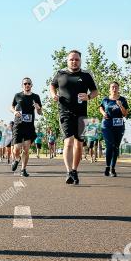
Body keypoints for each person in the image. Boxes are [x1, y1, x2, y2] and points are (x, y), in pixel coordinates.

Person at [50, 50, 98, 184]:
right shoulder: (60, 73)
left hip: (82, 113)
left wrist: (88, 96)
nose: (74, 61)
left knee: (79, 144)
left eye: (76, 59)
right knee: (68, 141)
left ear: (80, 60)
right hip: (64, 112)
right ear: (67, 61)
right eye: (71, 59)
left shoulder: (86, 74)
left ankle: (74, 170)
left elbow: (95, 91)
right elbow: (52, 85)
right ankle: (68, 172)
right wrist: (53, 94)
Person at [10, 77, 43, 177]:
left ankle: (23, 169)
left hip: (29, 126)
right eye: (25, 84)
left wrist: (38, 108)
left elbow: (40, 112)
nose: (27, 85)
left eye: (29, 83)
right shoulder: (17, 95)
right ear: (22, 85)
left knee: (26, 149)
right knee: (16, 149)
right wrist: (15, 111)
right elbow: (11, 107)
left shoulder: (36, 97)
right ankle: (16, 159)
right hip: (18, 125)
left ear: (31, 85)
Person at [99, 82, 129, 177]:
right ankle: (107, 166)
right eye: (112, 87)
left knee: (116, 147)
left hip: (119, 125)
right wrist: (103, 113)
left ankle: (112, 168)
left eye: (116, 87)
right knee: (110, 146)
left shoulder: (122, 100)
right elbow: (101, 108)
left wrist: (120, 105)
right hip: (107, 125)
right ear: (109, 89)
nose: (114, 89)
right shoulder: (105, 100)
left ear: (118, 88)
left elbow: (125, 114)